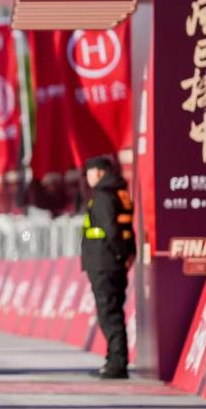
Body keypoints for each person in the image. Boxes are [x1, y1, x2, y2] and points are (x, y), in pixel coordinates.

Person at [81, 155, 136, 380]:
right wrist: (127, 253)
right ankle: (114, 359)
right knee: (113, 311)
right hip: (112, 262)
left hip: (104, 262)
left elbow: (111, 229)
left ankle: (117, 363)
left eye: (89, 172)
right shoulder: (119, 192)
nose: (87, 177)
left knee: (109, 313)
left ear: (99, 172)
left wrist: (120, 254)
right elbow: (126, 228)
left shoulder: (103, 195)